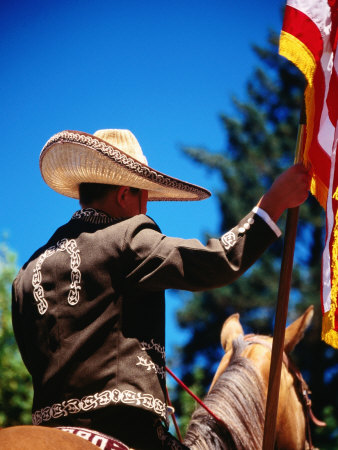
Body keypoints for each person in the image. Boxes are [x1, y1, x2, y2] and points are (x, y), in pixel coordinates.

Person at [12, 128, 310, 449]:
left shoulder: (26, 274)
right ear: (125, 194)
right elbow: (215, 261)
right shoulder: (127, 237)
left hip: (50, 425)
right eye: (144, 198)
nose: (145, 210)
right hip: (130, 432)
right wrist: (271, 205)